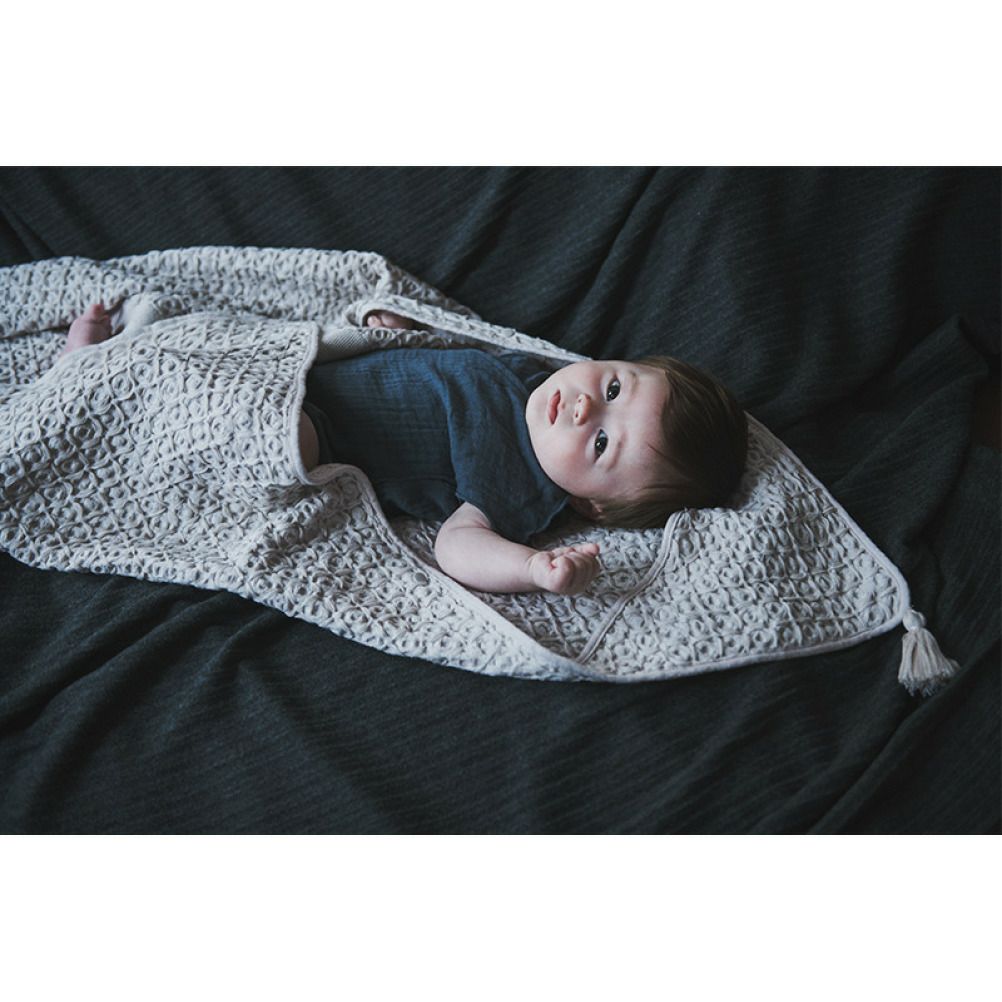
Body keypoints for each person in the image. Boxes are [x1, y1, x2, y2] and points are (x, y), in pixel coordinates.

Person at [60, 304, 748, 597]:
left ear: (592, 506)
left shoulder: (522, 487)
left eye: (600, 443)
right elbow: (444, 350)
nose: (586, 405)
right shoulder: (528, 373)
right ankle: (109, 363)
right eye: (615, 386)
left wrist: (531, 568)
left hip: (312, 433)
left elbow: (456, 546)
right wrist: (398, 330)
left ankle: (86, 383)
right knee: (205, 349)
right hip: (300, 367)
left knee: (233, 418)